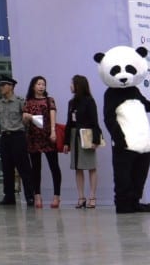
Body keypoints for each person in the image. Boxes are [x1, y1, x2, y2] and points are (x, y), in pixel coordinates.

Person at [23, 75, 63, 208]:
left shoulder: (49, 100)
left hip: (48, 136)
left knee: (54, 166)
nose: (41, 87)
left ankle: (57, 196)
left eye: (43, 84)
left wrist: (53, 131)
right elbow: (24, 121)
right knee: (36, 168)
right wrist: (27, 116)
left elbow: (53, 116)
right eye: (39, 84)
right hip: (33, 138)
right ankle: (37, 196)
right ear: (33, 86)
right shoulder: (28, 101)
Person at [0, 76, 35, 206]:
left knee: (24, 168)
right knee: (7, 168)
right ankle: (9, 196)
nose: (1, 88)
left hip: (18, 136)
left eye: (3, 85)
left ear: (11, 87)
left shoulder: (20, 102)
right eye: (0, 85)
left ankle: (29, 196)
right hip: (5, 137)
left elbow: (27, 121)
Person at [62, 74, 100, 209]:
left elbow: (95, 121)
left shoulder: (89, 101)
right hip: (74, 136)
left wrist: (96, 140)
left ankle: (92, 197)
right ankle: (81, 197)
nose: (70, 86)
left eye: (72, 83)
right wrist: (66, 142)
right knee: (78, 167)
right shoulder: (71, 103)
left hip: (86, 136)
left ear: (78, 85)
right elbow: (69, 123)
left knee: (91, 167)